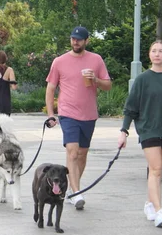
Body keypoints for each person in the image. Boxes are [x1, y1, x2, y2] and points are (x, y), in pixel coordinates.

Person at [117, 39, 162, 228]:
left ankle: (149, 204)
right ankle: (159, 210)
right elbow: (130, 108)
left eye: (161, 51)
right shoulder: (142, 79)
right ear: (149, 55)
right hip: (148, 128)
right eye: (153, 51)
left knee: (158, 171)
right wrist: (124, 131)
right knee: (156, 169)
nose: (157, 54)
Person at [45, 26, 112, 210]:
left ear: (86, 41)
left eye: (79, 39)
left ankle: (72, 188)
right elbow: (50, 89)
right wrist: (51, 114)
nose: (76, 42)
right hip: (68, 114)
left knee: (82, 154)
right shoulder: (59, 61)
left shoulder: (96, 60)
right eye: (73, 38)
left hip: (89, 115)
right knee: (72, 152)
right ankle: (76, 192)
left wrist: (96, 80)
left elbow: (107, 85)